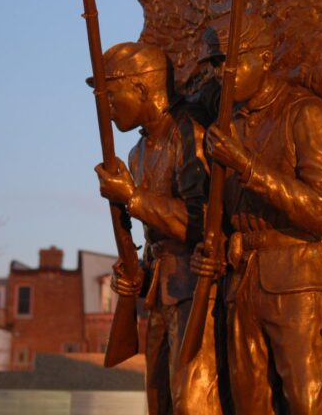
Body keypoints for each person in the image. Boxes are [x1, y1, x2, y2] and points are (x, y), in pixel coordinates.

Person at [191, 13, 322, 415]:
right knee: (249, 403)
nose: (222, 73)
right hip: (243, 279)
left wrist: (247, 168)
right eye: (215, 63)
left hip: (299, 280)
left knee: (310, 402)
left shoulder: (305, 114)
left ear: (265, 58)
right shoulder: (229, 124)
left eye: (233, 60)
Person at [90, 42, 223, 415]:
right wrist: (136, 272)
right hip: (160, 295)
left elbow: (202, 222)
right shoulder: (137, 152)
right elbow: (155, 237)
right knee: (160, 404)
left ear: (143, 90)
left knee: (192, 405)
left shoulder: (190, 136)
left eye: (113, 95)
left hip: (195, 291)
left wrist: (133, 199)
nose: (108, 108)